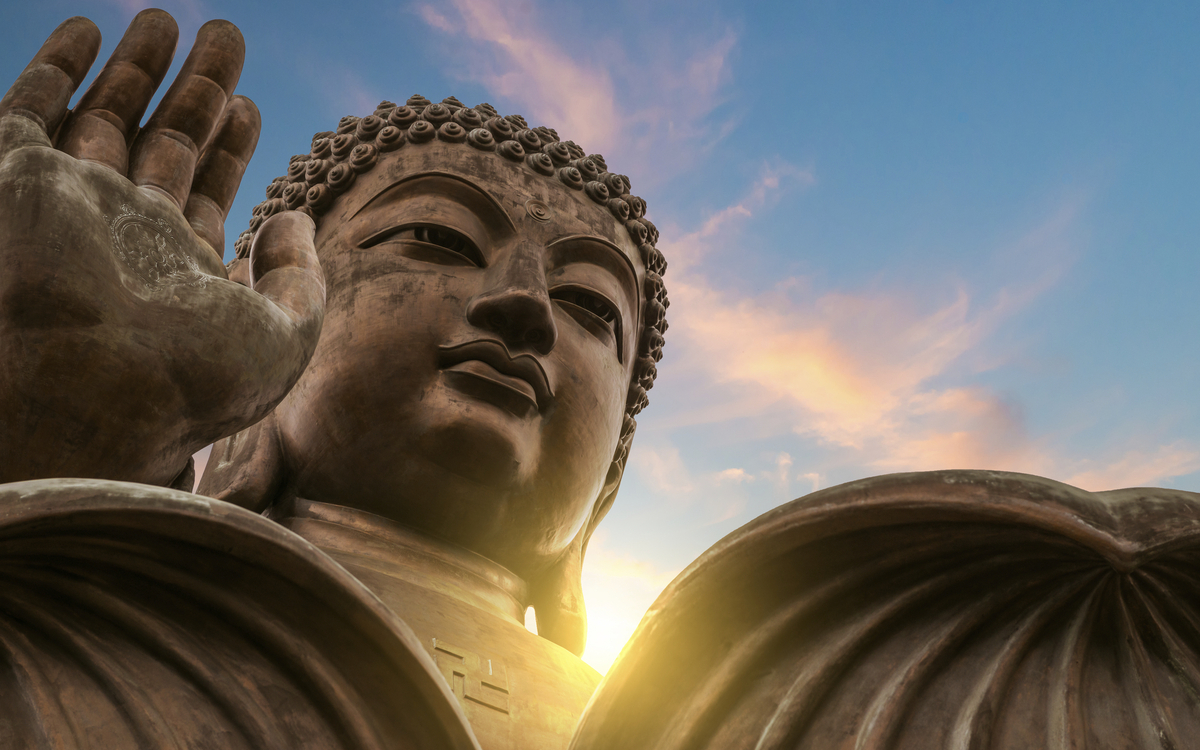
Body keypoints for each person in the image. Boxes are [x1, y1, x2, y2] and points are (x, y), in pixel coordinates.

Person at [0, 10, 666, 750]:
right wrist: (40, 456)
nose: (524, 304)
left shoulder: (695, 718)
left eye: (593, 306)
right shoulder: (99, 607)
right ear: (271, 325)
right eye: (439, 238)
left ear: (615, 473)